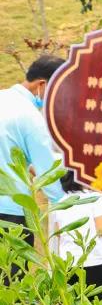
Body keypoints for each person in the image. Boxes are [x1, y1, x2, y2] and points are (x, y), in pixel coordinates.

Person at [0, 54, 65, 254]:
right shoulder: (30, 118)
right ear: (42, 85)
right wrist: (66, 204)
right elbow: (48, 175)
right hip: (11, 211)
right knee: (13, 280)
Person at [49, 171, 102, 297]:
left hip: (68, 266)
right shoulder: (95, 198)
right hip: (96, 262)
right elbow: (101, 230)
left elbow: (58, 232)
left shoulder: (60, 202)